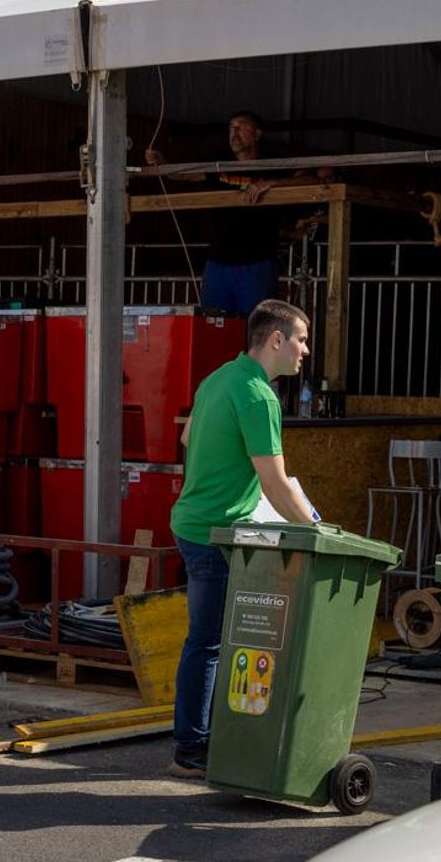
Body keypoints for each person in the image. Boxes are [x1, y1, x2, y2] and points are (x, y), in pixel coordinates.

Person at [167, 299, 317, 778]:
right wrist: (316, 533)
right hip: (214, 533)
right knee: (209, 642)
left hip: (193, 523)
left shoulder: (219, 378)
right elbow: (274, 481)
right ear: (276, 340)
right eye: (301, 339)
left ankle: (204, 737)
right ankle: (192, 749)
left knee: (211, 640)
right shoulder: (257, 395)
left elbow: (189, 438)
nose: (305, 351)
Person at [144, 111, 331, 316]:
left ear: (257, 134)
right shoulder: (219, 161)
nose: (234, 132)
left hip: (257, 262)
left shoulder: (273, 162)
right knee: (214, 324)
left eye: (241, 127)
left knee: (255, 327)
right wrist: (163, 163)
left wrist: (273, 182)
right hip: (218, 262)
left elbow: (310, 181)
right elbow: (183, 175)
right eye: (231, 128)